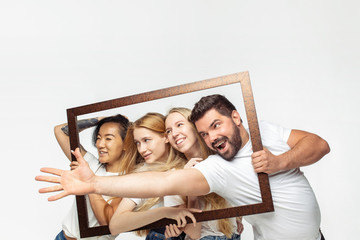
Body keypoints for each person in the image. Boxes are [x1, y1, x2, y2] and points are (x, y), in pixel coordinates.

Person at [37, 94, 330, 240]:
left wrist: (279, 162)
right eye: (206, 132)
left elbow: (318, 144)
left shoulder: (255, 136)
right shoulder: (204, 170)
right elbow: (159, 186)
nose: (212, 137)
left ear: (237, 118)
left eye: (215, 126)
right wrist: (96, 185)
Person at [108, 112, 199, 240]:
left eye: (146, 140)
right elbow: (116, 225)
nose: (142, 149)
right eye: (138, 143)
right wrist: (165, 213)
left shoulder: (188, 166)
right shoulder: (143, 174)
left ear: (166, 137)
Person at [164, 107, 242, 240]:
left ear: (195, 126)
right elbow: (193, 234)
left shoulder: (222, 158)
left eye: (179, 125)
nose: (175, 133)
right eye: (169, 131)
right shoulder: (174, 176)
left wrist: (238, 217)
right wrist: (190, 189)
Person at [53, 114, 130, 240]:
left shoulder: (129, 180)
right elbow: (60, 131)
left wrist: (88, 183)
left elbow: (108, 223)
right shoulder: (91, 164)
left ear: (126, 143)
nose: (100, 144)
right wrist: (104, 120)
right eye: (98, 138)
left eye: (108, 138)